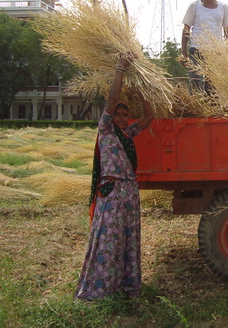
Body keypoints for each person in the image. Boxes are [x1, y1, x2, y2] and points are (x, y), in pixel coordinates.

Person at [75, 55, 155, 301]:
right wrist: (121, 69)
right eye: (118, 113)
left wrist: (141, 83)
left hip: (129, 193)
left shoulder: (127, 133)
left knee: (128, 239)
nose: (121, 117)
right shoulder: (106, 130)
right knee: (108, 239)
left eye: (124, 114)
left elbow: (150, 115)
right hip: (111, 192)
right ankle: (100, 290)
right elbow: (111, 99)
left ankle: (126, 287)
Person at [180, 0, 228, 93]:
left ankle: (212, 111)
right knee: (196, 84)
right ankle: (196, 109)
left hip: (216, 52)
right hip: (197, 50)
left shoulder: (223, 7)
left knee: (213, 87)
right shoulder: (194, 6)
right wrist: (183, 52)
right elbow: (186, 29)